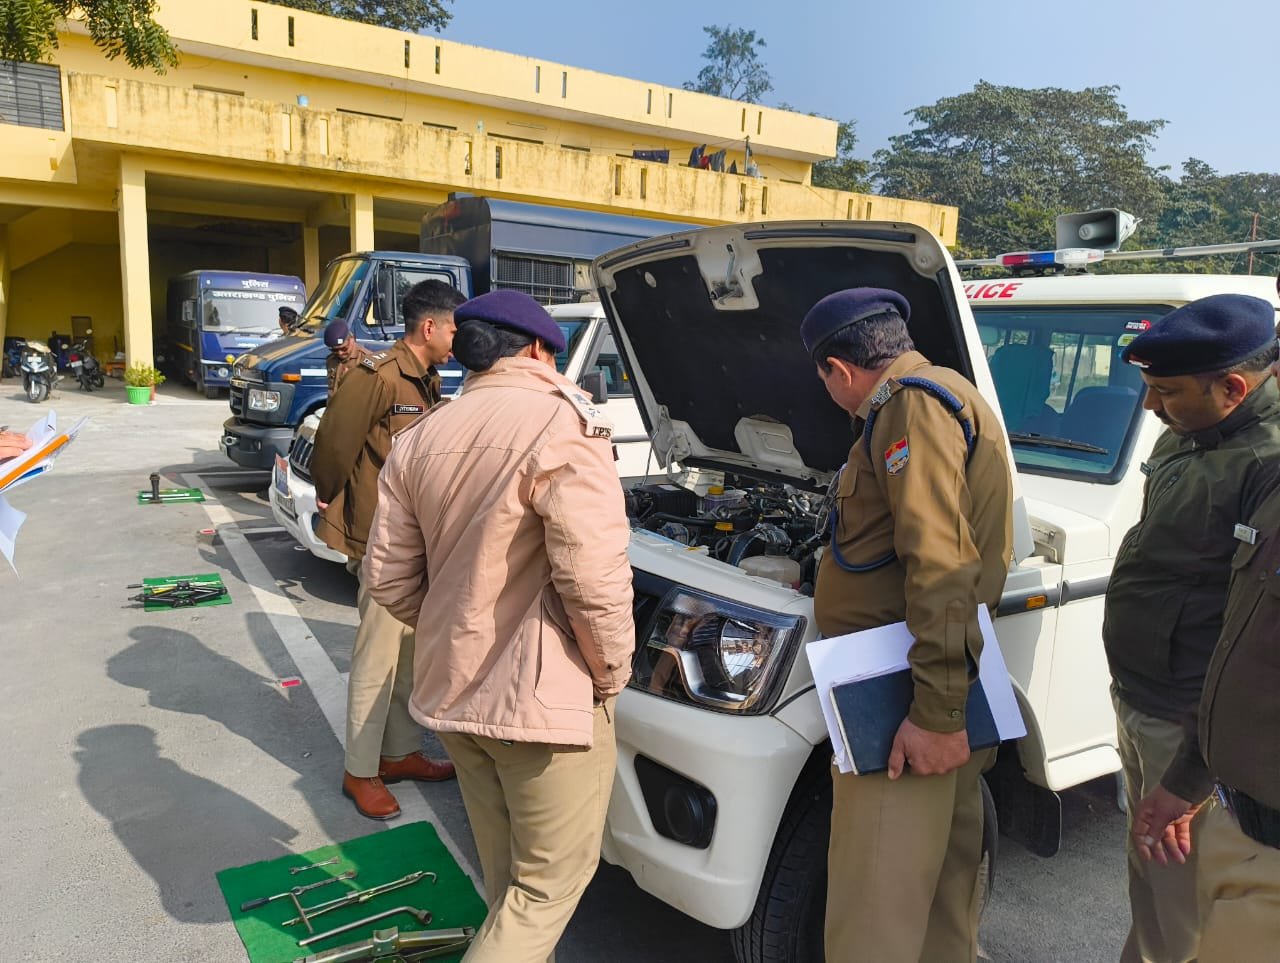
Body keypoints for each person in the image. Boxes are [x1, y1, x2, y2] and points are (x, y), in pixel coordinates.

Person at [364, 289, 634, 962]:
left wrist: (452, 626)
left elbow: (388, 579)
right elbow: (591, 579)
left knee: (506, 881)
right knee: (545, 889)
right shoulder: (563, 425)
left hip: (454, 693)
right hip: (542, 703)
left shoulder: (421, 436)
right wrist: (610, 673)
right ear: (540, 350)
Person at [801, 288, 1014, 963]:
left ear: (838, 369)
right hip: (937, 678)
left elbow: (941, 565)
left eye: (823, 378)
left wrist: (936, 716)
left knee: (876, 909)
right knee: (943, 897)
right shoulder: (943, 390)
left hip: (905, 701)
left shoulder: (908, 408)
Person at [1101, 293, 1280, 963]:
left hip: (1187, 721)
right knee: (1149, 884)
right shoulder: (1188, 432)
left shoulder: (1268, 464)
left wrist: (1191, 775)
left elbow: (1250, 644)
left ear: (1233, 388)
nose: (1151, 406)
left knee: (1186, 906)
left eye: (1167, 391)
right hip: (1141, 696)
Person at [310, 279, 465, 820]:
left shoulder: (426, 380)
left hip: (413, 540)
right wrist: (330, 497)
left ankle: (398, 754)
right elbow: (333, 443)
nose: (458, 340)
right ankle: (360, 769)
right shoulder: (377, 376)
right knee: (377, 657)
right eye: (454, 329)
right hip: (380, 540)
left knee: (406, 656)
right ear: (430, 327)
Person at [322, 319, 368, 394]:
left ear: (352, 339)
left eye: (344, 348)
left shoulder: (366, 359)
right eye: (334, 350)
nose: (340, 353)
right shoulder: (331, 360)